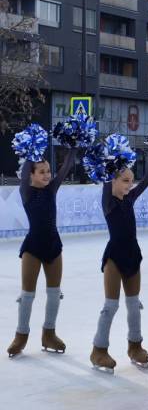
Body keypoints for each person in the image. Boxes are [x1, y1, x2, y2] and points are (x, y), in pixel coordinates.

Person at [90, 157, 148, 372]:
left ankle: (135, 346)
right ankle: (99, 350)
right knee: (110, 306)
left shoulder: (130, 198)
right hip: (114, 257)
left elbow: (146, 181)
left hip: (133, 255)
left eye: (131, 180)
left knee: (134, 305)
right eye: (124, 180)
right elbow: (106, 178)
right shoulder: (108, 203)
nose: (129, 184)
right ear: (112, 181)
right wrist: (107, 162)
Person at [7, 148, 76, 357]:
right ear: (31, 175)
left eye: (48, 171)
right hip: (33, 247)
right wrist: (31, 149)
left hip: (54, 246)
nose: (47, 175)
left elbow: (67, 167)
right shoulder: (26, 191)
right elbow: (28, 163)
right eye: (42, 172)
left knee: (54, 294)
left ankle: (49, 333)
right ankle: (21, 336)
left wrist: (73, 145)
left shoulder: (51, 189)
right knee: (27, 295)